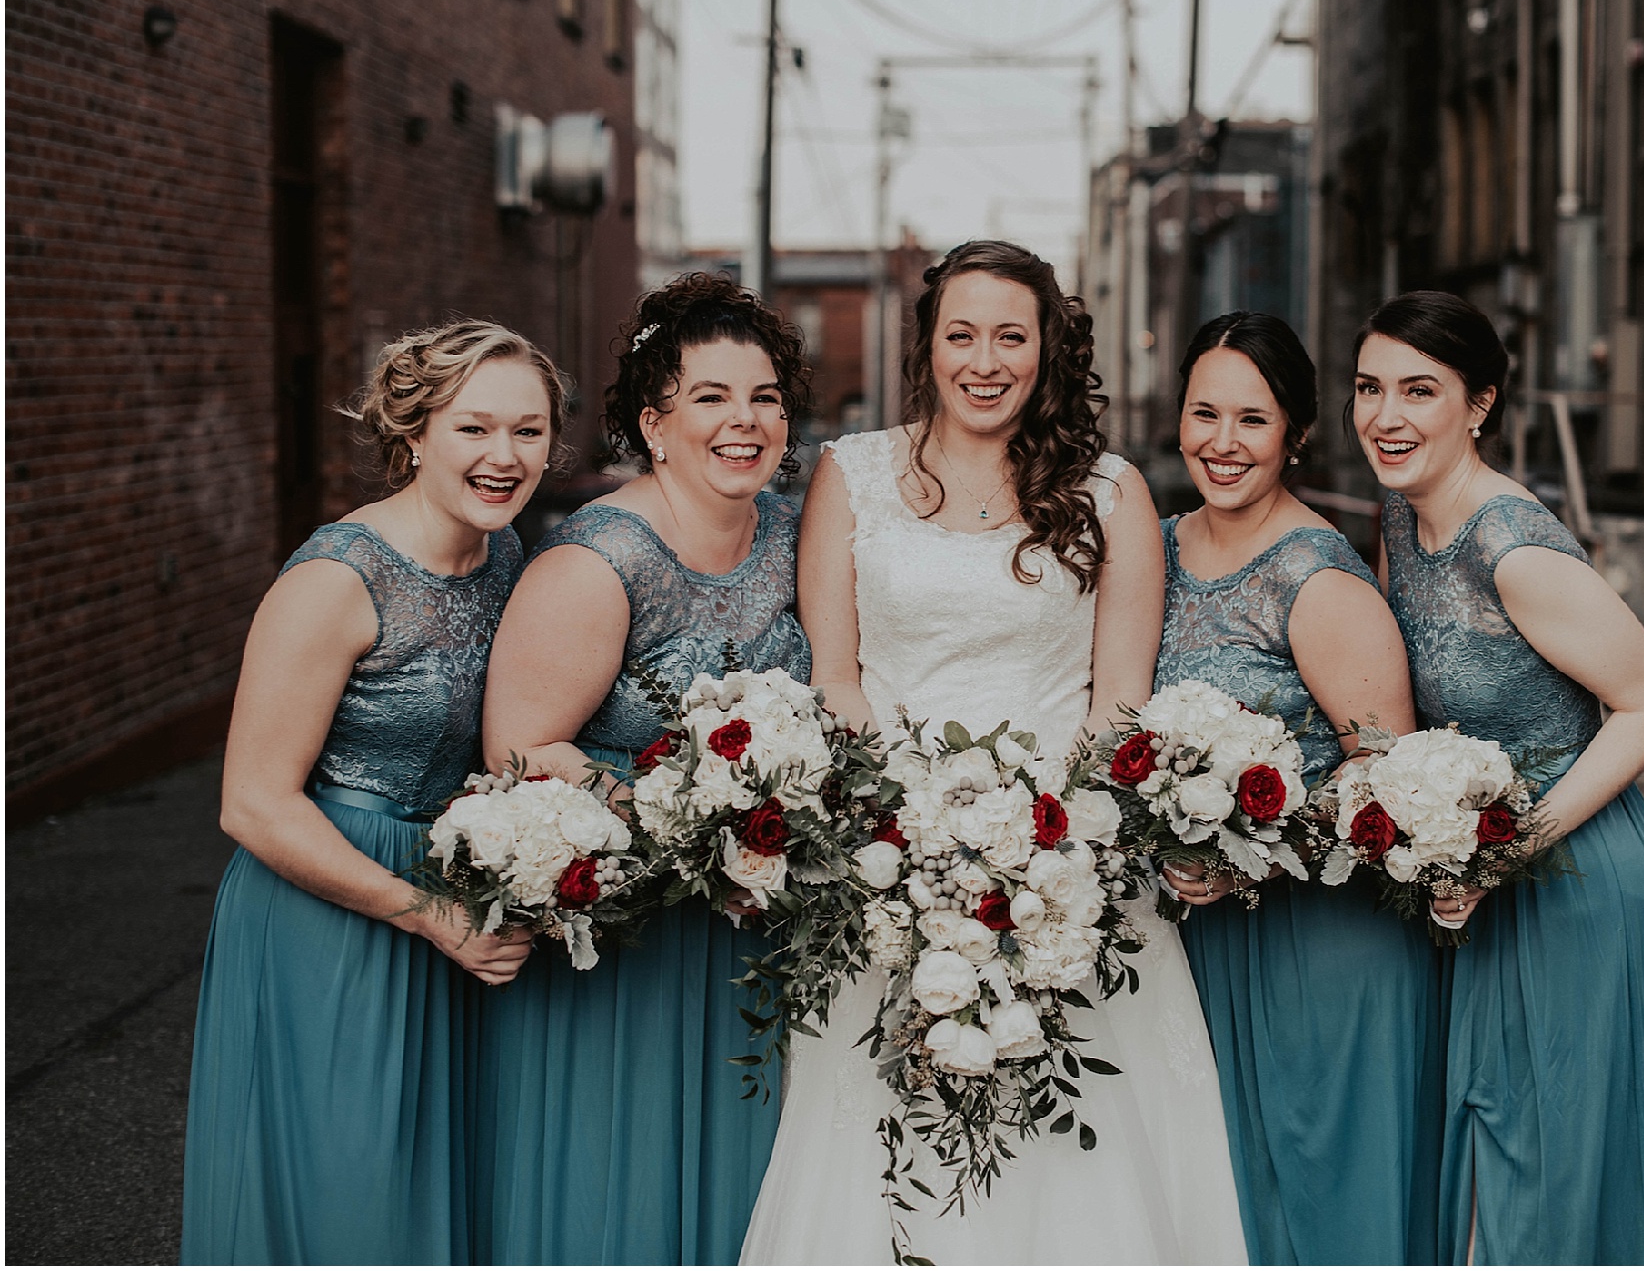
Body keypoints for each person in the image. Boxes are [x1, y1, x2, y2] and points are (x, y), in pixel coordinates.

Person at [740, 240, 1246, 1265]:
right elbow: (835, 676)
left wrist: (1045, 857)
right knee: (887, 1142)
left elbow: (1118, 704)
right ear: (926, 345)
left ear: (1047, 348)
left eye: (1010, 336)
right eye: (960, 334)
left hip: (1065, 867)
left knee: (1071, 1156)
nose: (984, 361)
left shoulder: (1111, 493)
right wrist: (908, 843)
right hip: (885, 862)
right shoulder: (852, 474)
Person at [1353, 290, 1644, 1264]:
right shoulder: (1398, 516)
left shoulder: (1512, 547)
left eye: (1418, 390)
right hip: (1477, 872)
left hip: (1576, 874)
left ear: (1478, 404)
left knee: (1548, 1156)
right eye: (1367, 388)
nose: (1384, 415)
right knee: (1495, 1138)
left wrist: (1508, 850)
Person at [180, 320, 559, 1263]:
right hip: (332, 908)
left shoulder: (504, 557)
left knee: (435, 1179)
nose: (505, 456)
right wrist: (431, 915)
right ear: (415, 433)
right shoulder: (335, 579)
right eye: (474, 428)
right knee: (348, 1191)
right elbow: (253, 802)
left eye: (529, 430)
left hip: (454, 895)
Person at [475, 273, 812, 1265]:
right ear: (655, 425)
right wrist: (689, 821)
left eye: (764, 399)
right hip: (631, 935)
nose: (744, 421)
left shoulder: (796, 535)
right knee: (627, 1183)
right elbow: (519, 748)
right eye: (711, 397)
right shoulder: (596, 561)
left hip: (759, 924)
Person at [1154, 311, 1446, 1265]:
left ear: (1296, 434)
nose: (1223, 442)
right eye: (1206, 414)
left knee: (1320, 1200)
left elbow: (1384, 774)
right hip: (1195, 943)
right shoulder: (1153, 549)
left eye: (1253, 419)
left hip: (1319, 942)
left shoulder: (1318, 580)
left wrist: (1252, 858)